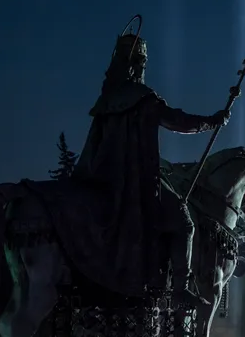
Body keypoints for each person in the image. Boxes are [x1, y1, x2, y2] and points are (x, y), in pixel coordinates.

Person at [74, 20, 231, 303]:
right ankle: (181, 289)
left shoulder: (106, 101)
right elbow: (176, 121)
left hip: (102, 177)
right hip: (135, 179)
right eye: (143, 63)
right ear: (136, 65)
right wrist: (212, 121)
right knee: (185, 224)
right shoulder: (142, 98)